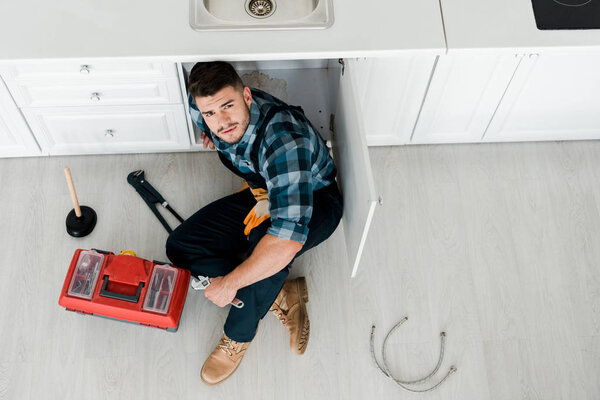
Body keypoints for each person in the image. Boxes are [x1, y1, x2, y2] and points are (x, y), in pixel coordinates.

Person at [165, 61, 343, 385]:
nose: (222, 121)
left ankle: (238, 335)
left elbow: (284, 241)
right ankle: (278, 291)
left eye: (228, 106)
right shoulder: (202, 108)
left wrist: (231, 283)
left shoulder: (283, 143)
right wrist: (210, 134)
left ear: (247, 96)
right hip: (266, 190)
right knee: (180, 247)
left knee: (265, 259)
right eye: (211, 114)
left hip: (316, 202)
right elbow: (208, 118)